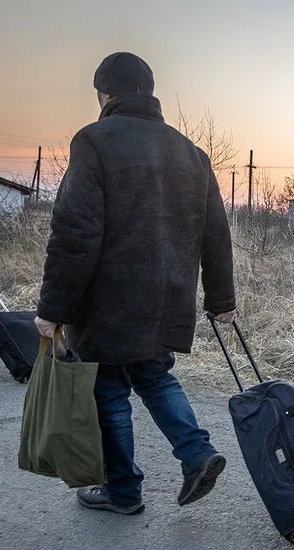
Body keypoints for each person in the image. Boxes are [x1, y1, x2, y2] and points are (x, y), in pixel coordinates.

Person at [34, 52, 236, 516]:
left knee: (107, 390)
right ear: (150, 90)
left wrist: (53, 307)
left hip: (109, 300)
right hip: (168, 298)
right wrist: (221, 299)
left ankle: (123, 492)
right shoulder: (191, 152)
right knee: (155, 376)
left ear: (105, 93)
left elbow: (75, 232)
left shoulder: (95, 141)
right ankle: (197, 455)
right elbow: (216, 233)